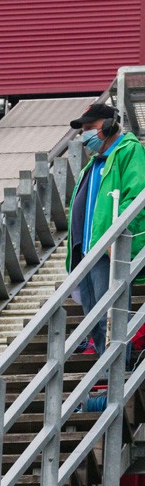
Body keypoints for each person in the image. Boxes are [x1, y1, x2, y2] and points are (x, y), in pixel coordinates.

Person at [66, 103, 145, 365]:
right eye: (83, 130)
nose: (85, 134)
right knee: (94, 319)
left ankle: (119, 370)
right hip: (86, 252)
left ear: (110, 124)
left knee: (109, 314)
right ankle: (109, 368)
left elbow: (136, 195)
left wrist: (117, 235)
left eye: (91, 127)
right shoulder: (94, 163)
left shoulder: (129, 150)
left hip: (108, 250)